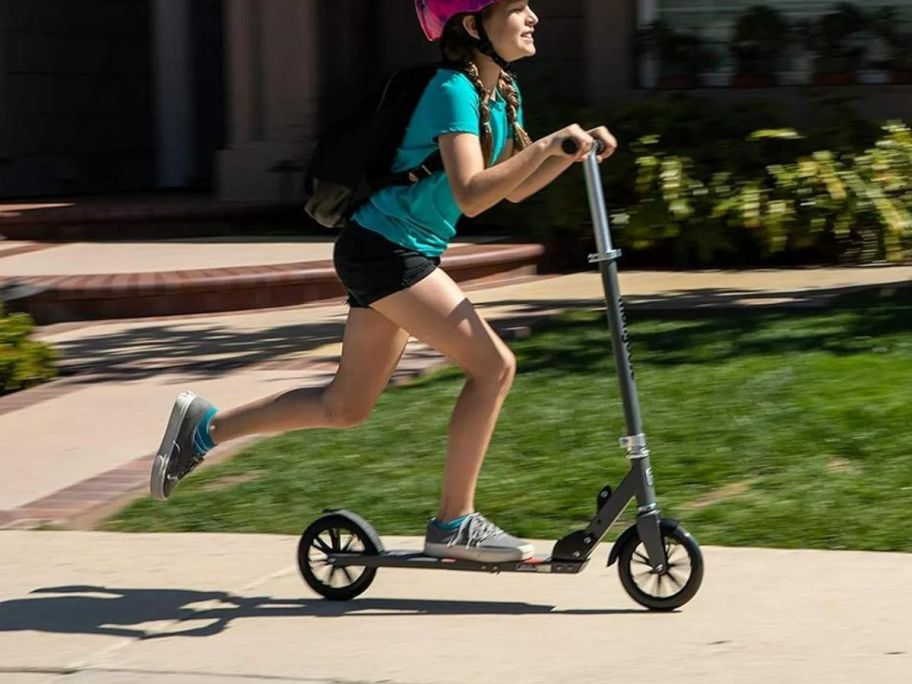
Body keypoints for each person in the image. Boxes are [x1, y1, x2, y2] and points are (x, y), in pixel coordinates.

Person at [150, 0, 617, 563]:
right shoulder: (453, 91)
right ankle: (454, 522)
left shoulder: (499, 95)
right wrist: (546, 145)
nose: (534, 16)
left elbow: (510, 189)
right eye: (518, 8)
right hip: (388, 251)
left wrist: (570, 151)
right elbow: (471, 192)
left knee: (344, 407)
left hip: (395, 251)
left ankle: (204, 429)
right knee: (495, 366)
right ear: (474, 27)